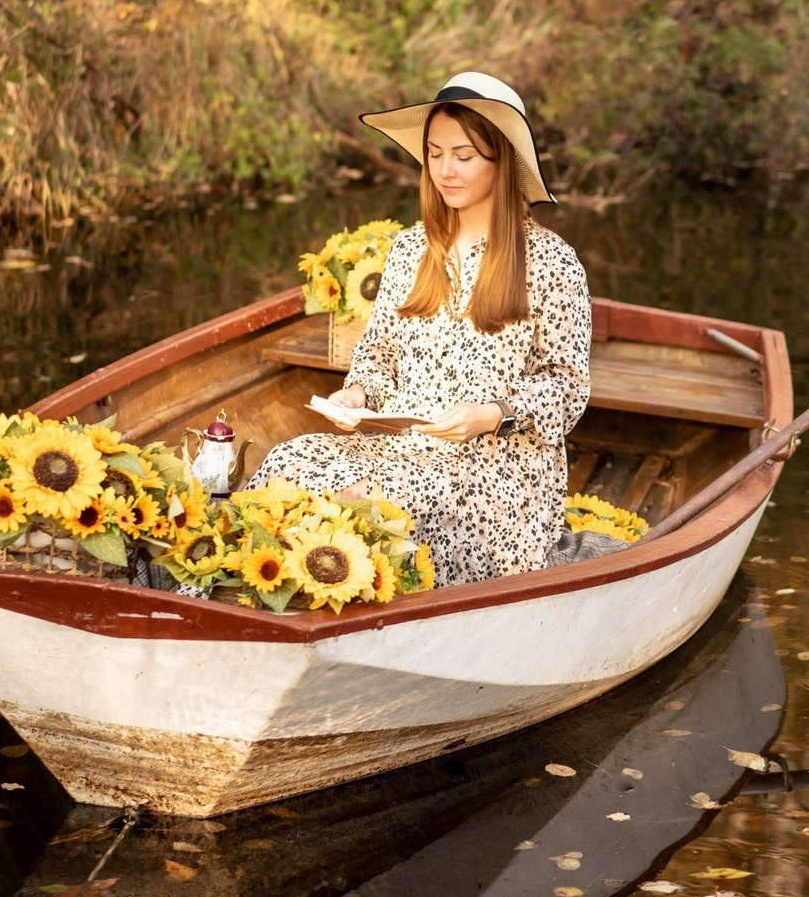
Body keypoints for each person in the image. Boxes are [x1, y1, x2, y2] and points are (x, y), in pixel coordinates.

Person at [250, 71, 592, 587]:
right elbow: (379, 352)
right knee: (289, 461)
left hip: (501, 469)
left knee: (385, 503)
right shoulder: (413, 249)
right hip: (403, 446)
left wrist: (494, 413)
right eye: (434, 153)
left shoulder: (551, 263)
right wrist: (357, 393)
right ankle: (263, 600)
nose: (445, 170)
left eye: (464, 155)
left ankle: (340, 608)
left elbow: (568, 387)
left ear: (503, 162)